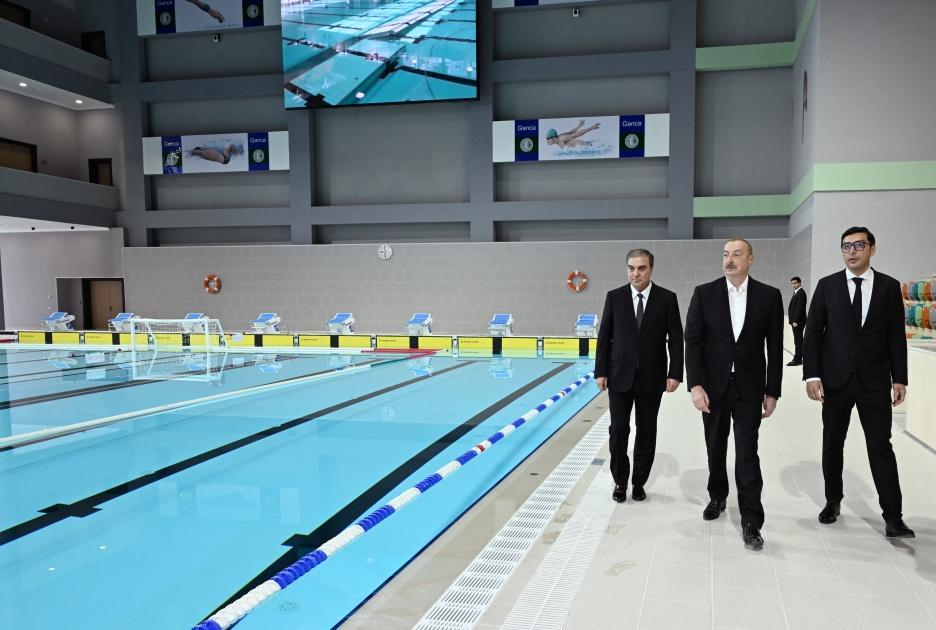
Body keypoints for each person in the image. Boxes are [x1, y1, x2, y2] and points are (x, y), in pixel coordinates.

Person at [803, 227, 913, 538]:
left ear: (872, 249)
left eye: (859, 245)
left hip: (873, 382)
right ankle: (832, 500)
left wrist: (899, 378)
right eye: (846, 246)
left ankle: (893, 516)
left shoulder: (889, 287)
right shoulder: (827, 286)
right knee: (832, 443)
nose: (852, 251)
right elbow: (813, 333)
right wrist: (812, 374)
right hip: (835, 381)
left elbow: (896, 336)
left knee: (880, 447)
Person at [685, 239, 783, 549]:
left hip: (749, 387)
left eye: (737, 254)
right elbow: (693, 342)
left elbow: (775, 347)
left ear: (751, 259)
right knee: (715, 446)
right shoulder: (705, 293)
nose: (729, 259)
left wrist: (773, 390)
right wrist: (695, 385)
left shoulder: (769, 296)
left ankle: (751, 520)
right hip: (713, 387)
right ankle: (717, 496)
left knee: (747, 453)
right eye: (726, 254)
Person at [595, 249, 683, 503]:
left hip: (652, 377)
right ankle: (620, 481)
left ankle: (639, 482)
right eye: (631, 268)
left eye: (641, 268)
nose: (636, 273)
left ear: (651, 269)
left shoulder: (667, 298)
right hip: (619, 376)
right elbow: (604, 337)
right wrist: (601, 371)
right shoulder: (615, 297)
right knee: (618, 430)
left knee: (646, 431)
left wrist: (675, 372)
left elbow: (676, 338)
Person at [787, 276, 807, 366]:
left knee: (798, 341)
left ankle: (797, 359)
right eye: (792, 283)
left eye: (795, 283)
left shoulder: (801, 293)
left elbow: (800, 308)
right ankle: (799, 358)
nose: (793, 285)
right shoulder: (797, 292)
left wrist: (795, 320)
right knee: (798, 340)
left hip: (798, 322)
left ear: (799, 283)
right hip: (796, 322)